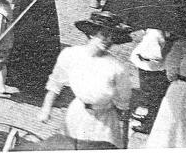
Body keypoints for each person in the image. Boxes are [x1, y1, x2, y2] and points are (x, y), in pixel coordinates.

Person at [37, 11, 134, 149]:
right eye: (104, 35)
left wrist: (123, 136)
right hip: (77, 114)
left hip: (104, 121)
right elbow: (55, 84)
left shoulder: (117, 68)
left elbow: (124, 104)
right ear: (92, 33)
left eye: (112, 37)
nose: (108, 41)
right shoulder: (71, 55)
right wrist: (46, 109)